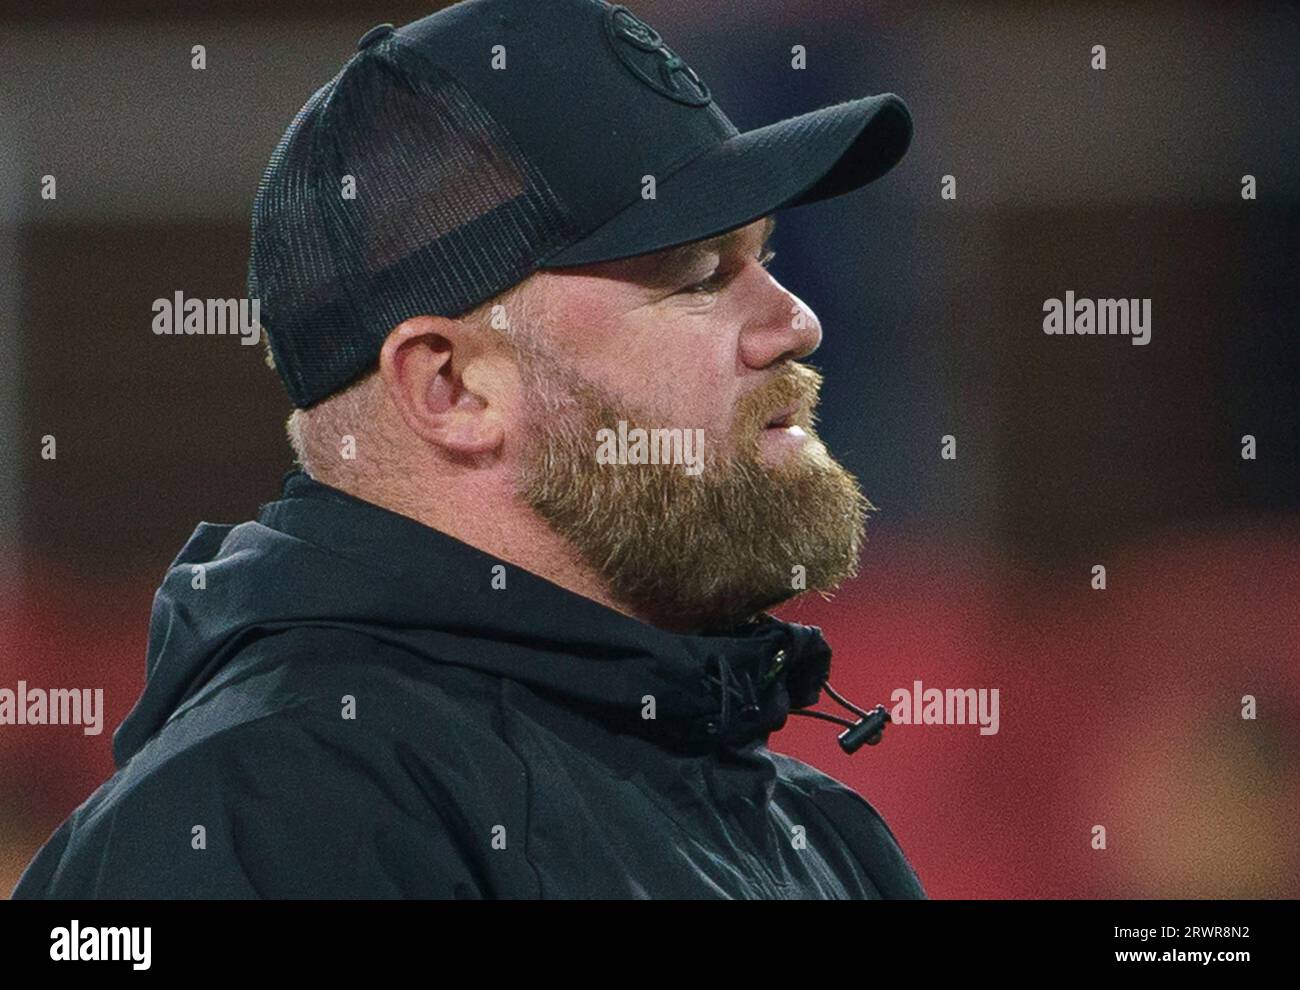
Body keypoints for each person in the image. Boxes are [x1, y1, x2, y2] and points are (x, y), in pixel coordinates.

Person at [13, 0, 922, 898]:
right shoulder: (259, 822)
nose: (795, 324)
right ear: (450, 388)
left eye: (763, 259)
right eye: (697, 274)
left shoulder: (819, 835)